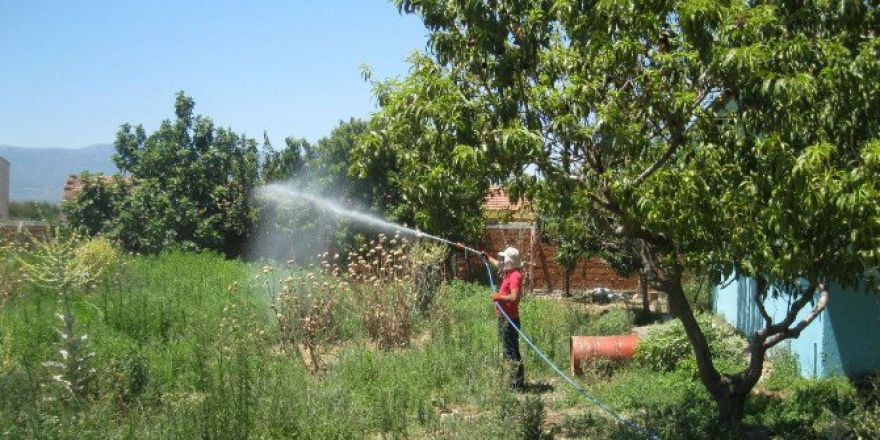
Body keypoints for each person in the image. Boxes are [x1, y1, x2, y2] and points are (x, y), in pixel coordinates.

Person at [483, 246, 525, 391]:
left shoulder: (515, 276)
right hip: (504, 318)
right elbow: (498, 265)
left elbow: (514, 297)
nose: (502, 261)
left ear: (510, 261)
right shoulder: (508, 272)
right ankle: (514, 382)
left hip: (510, 320)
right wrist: (487, 258)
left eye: (504, 258)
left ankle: (516, 384)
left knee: (511, 352)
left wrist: (498, 297)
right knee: (509, 350)